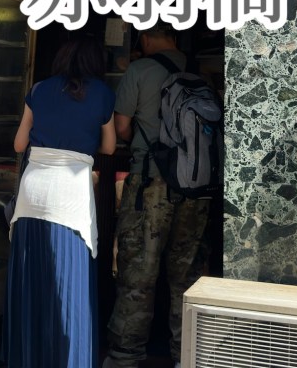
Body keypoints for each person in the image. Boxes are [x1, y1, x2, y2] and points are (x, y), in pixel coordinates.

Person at [3, 34, 117, 368]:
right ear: (96, 63)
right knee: (69, 283)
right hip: (71, 194)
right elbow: (109, 148)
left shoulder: (39, 90)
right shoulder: (103, 93)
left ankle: (26, 358)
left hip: (33, 192)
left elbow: (19, 144)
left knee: (30, 278)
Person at [103, 22, 210, 368]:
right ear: (175, 37)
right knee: (187, 276)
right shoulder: (200, 71)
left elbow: (121, 127)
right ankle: (187, 356)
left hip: (150, 182)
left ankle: (125, 356)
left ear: (146, 38)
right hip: (196, 186)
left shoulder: (140, 69)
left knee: (138, 272)